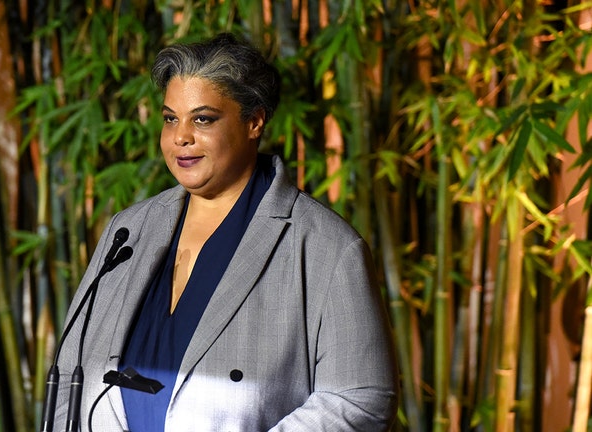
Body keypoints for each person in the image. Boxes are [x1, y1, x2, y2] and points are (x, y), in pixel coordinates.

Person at [50, 32, 399, 431]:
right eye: (170, 118)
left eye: (203, 119)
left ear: (254, 121)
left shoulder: (324, 246)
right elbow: (68, 376)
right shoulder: (128, 230)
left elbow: (362, 397)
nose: (181, 136)